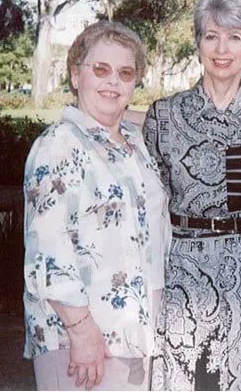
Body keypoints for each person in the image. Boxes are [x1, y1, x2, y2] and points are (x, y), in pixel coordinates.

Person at [141, 0, 241, 391]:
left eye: (234, 37)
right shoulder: (164, 115)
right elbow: (148, 201)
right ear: (197, 44)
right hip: (188, 269)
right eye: (211, 36)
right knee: (198, 378)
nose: (222, 48)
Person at [23, 21, 171, 390]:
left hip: (136, 332)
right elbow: (48, 253)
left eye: (125, 73)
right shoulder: (59, 145)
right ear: (76, 75)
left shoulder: (134, 142)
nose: (112, 82)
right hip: (83, 338)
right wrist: (81, 331)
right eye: (100, 70)